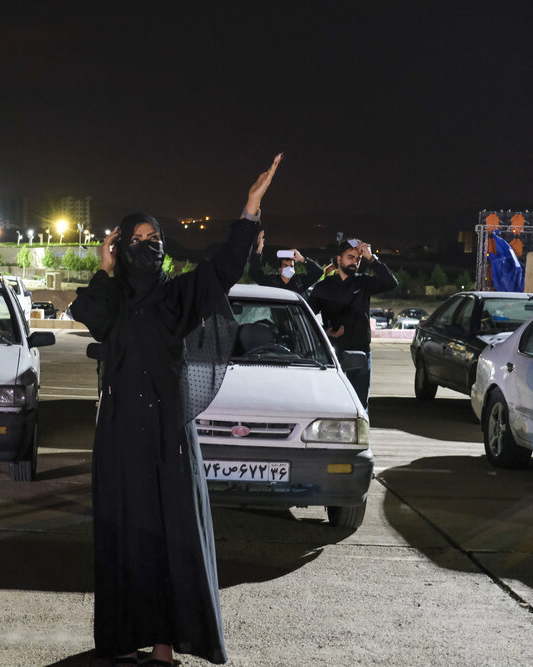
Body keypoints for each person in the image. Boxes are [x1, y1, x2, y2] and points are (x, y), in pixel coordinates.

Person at [71, 155, 282, 666]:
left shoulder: (175, 298)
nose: (152, 245)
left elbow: (222, 271)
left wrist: (249, 210)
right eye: (139, 239)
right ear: (122, 247)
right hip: (121, 437)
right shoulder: (112, 299)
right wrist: (104, 268)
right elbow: (91, 316)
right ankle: (126, 637)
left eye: (156, 237)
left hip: (167, 437)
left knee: (169, 536)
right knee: (126, 534)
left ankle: (166, 646)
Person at [305, 238, 397, 412]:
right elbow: (308, 318)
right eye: (350, 257)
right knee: (329, 404)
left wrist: (371, 258)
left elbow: (391, 283)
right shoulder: (324, 287)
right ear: (339, 259)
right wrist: (325, 333)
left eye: (358, 259)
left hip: (360, 354)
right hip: (332, 355)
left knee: (359, 407)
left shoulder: (364, 283)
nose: (354, 262)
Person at [247, 230, 323, 292]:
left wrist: (302, 259)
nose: (289, 268)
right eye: (286, 265)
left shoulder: (299, 282)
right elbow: (254, 273)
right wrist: (259, 250)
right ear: (279, 269)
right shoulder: (272, 281)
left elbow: (318, 272)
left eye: (291, 266)